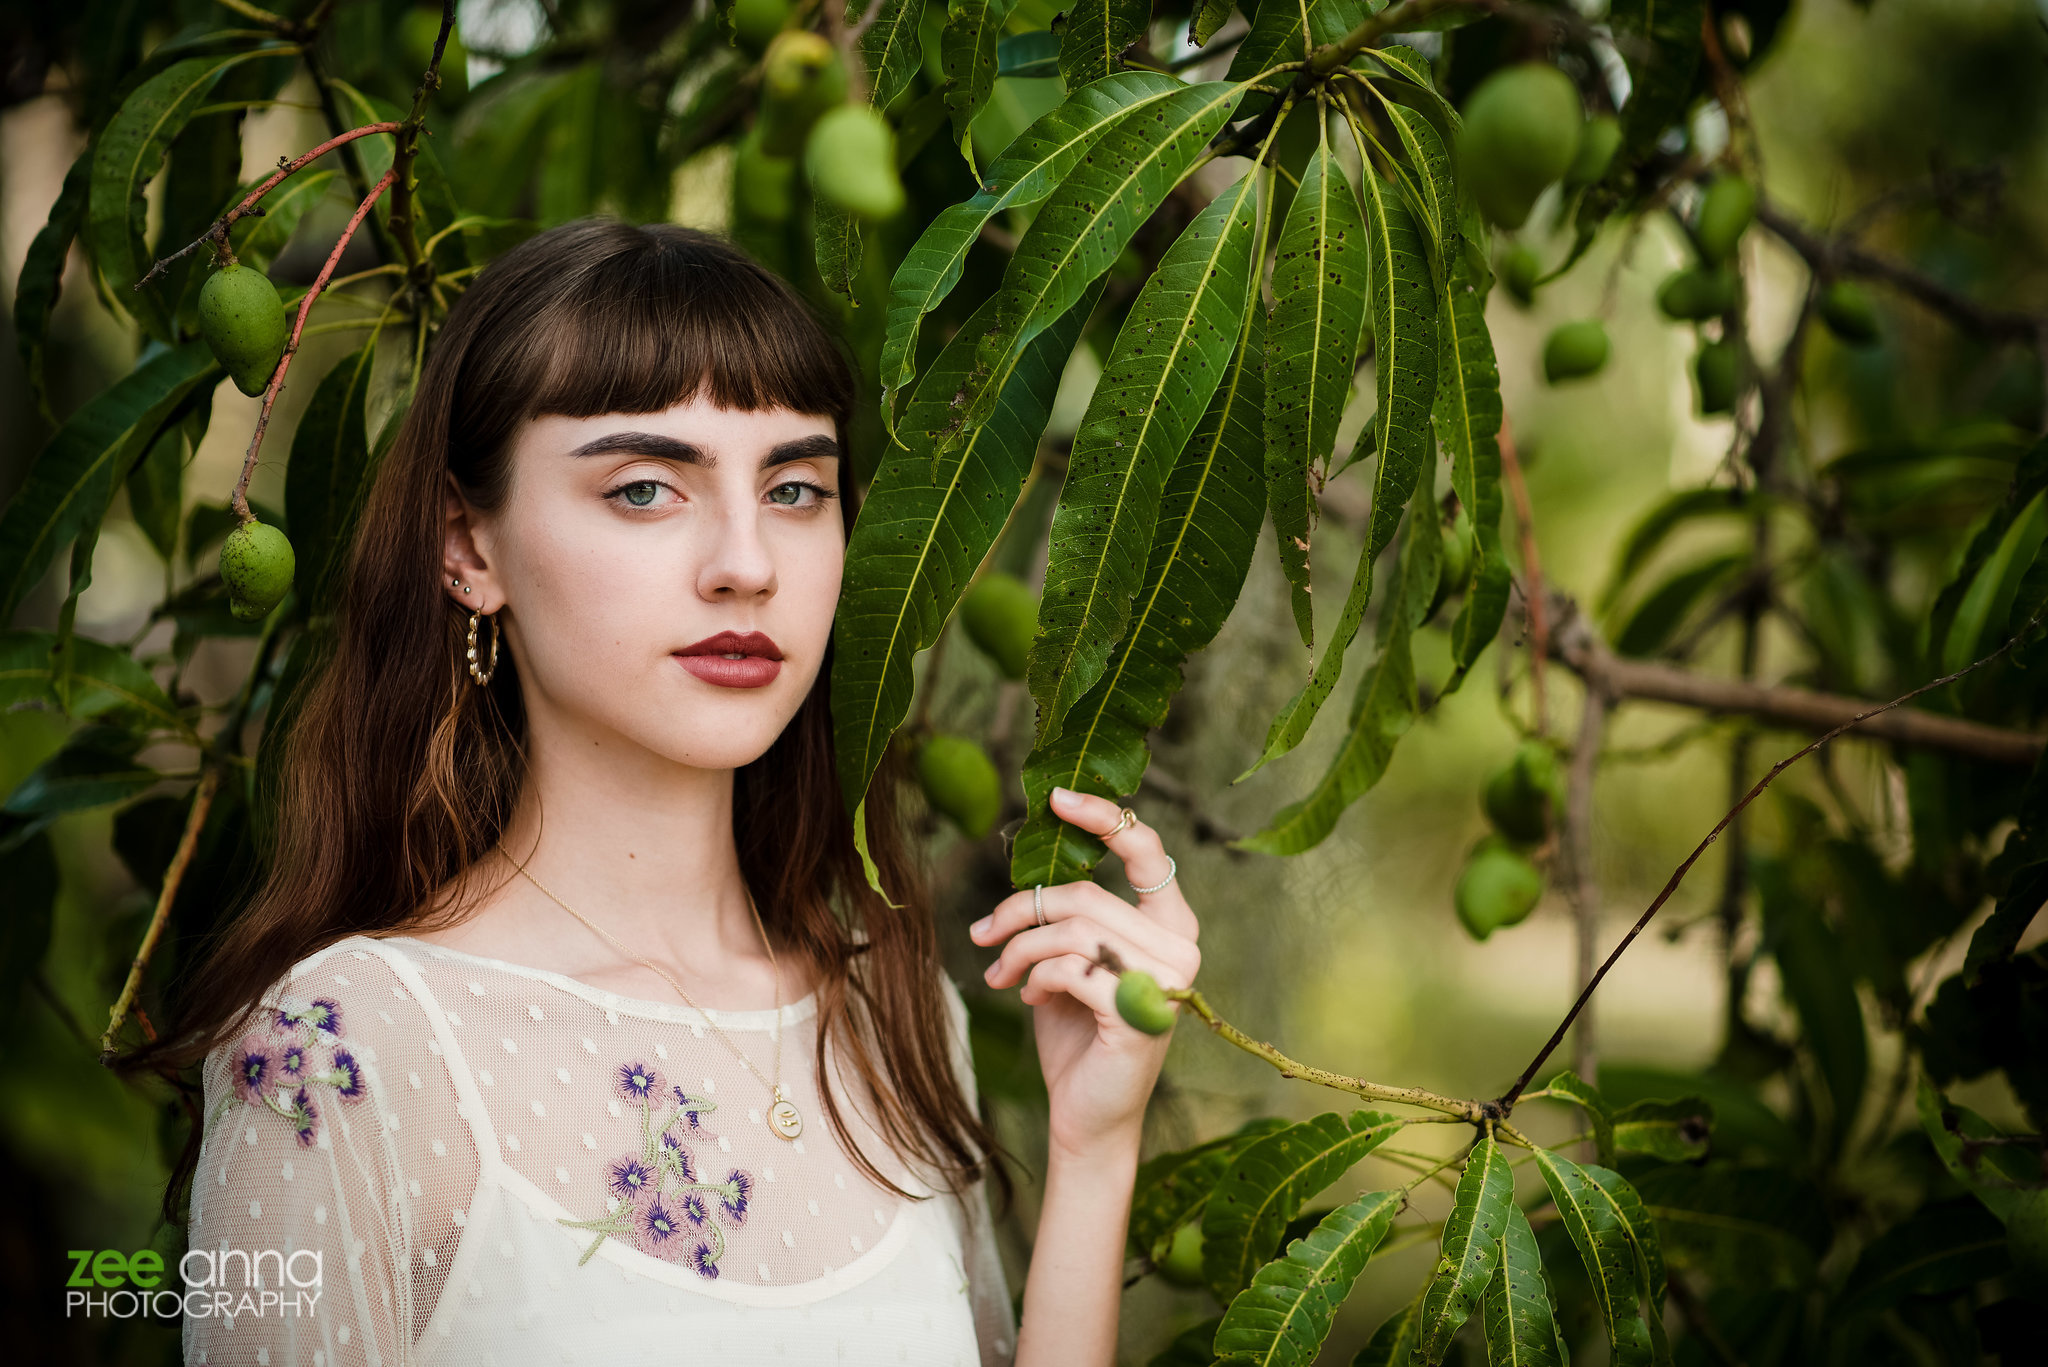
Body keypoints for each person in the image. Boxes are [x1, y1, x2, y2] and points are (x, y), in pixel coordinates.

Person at [130, 219, 1203, 1366]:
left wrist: (1096, 1151)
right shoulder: (341, 1048)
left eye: (795, 487)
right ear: (467, 548)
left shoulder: (896, 1022)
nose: (746, 561)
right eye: (646, 487)